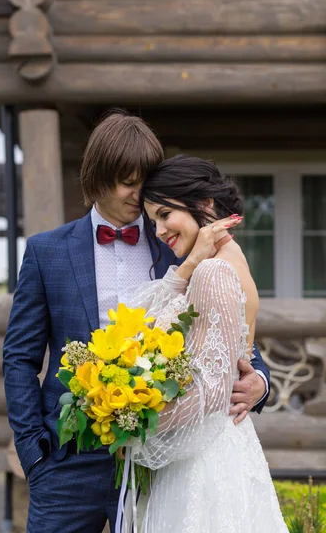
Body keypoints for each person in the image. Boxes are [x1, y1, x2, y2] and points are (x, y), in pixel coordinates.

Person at [3, 112, 270, 533]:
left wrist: (261, 382)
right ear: (99, 177)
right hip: (66, 463)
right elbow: (19, 357)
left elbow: (229, 324)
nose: (139, 193)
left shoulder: (179, 244)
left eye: (144, 181)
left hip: (160, 463)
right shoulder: (45, 252)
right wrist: (33, 452)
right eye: (129, 181)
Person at [121, 154, 287, 533]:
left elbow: (212, 391)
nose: (160, 230)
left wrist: (134, 425)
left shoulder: (213, 271)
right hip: (213, 445)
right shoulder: (224, 260)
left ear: (204, 205)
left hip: (206, 459)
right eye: (152, 221)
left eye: (165, 214)